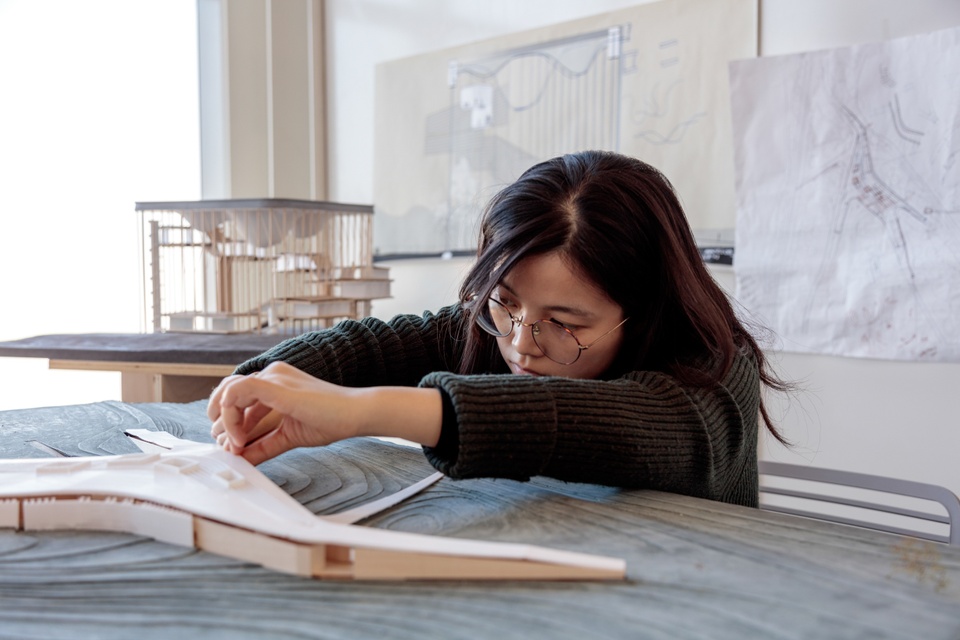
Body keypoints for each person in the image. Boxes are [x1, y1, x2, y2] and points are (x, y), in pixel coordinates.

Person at [208, 150, 789, 508]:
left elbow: (625, 427)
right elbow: (384, 342)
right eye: (504, 304)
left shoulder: (714, 369)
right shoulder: (501, 329)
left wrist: (362, 410)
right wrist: (263, 381)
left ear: (644, 308)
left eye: (563, 324)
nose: (519, 344)